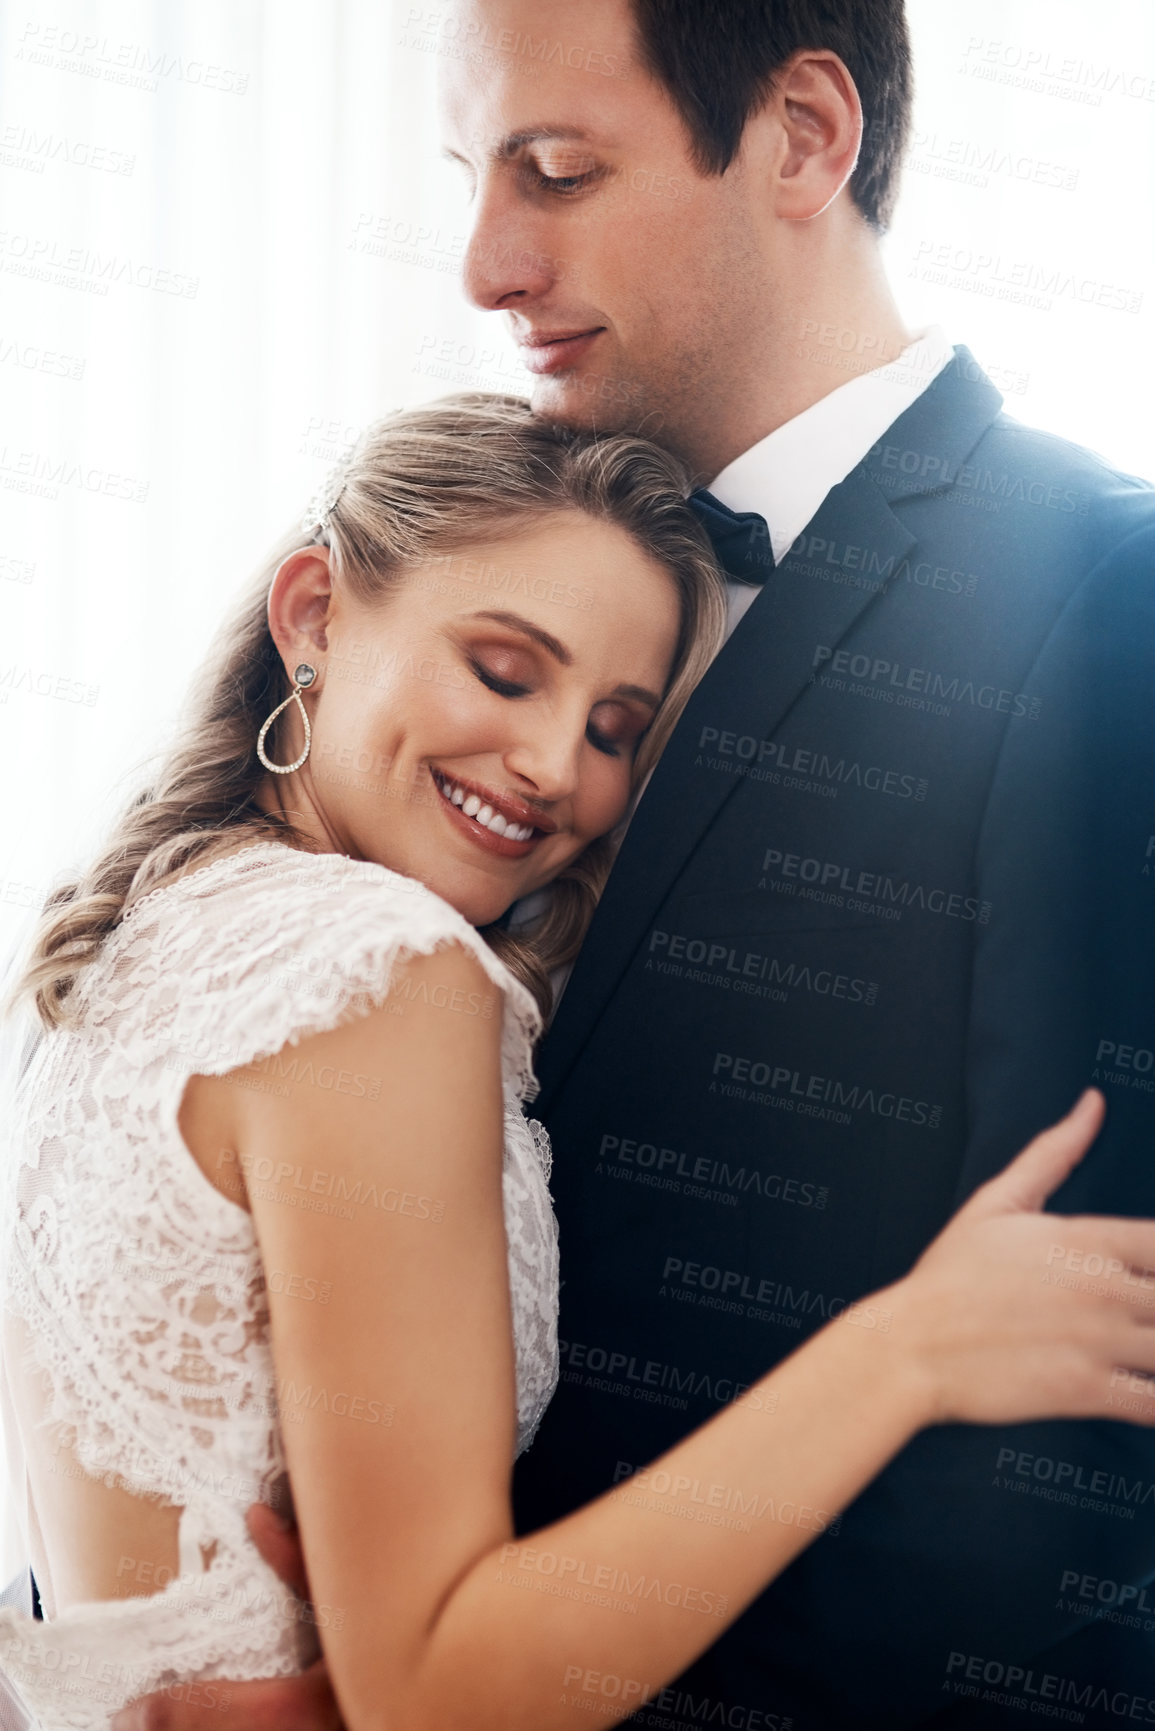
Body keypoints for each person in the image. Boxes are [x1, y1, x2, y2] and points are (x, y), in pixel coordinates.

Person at [124, 1, 1155, 1728]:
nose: (482, 265)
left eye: (555, 171)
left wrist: (457, 1676)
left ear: (806, 139)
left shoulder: (1100, 593)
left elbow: (1076, 1457)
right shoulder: (511, 579)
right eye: (472, 177)